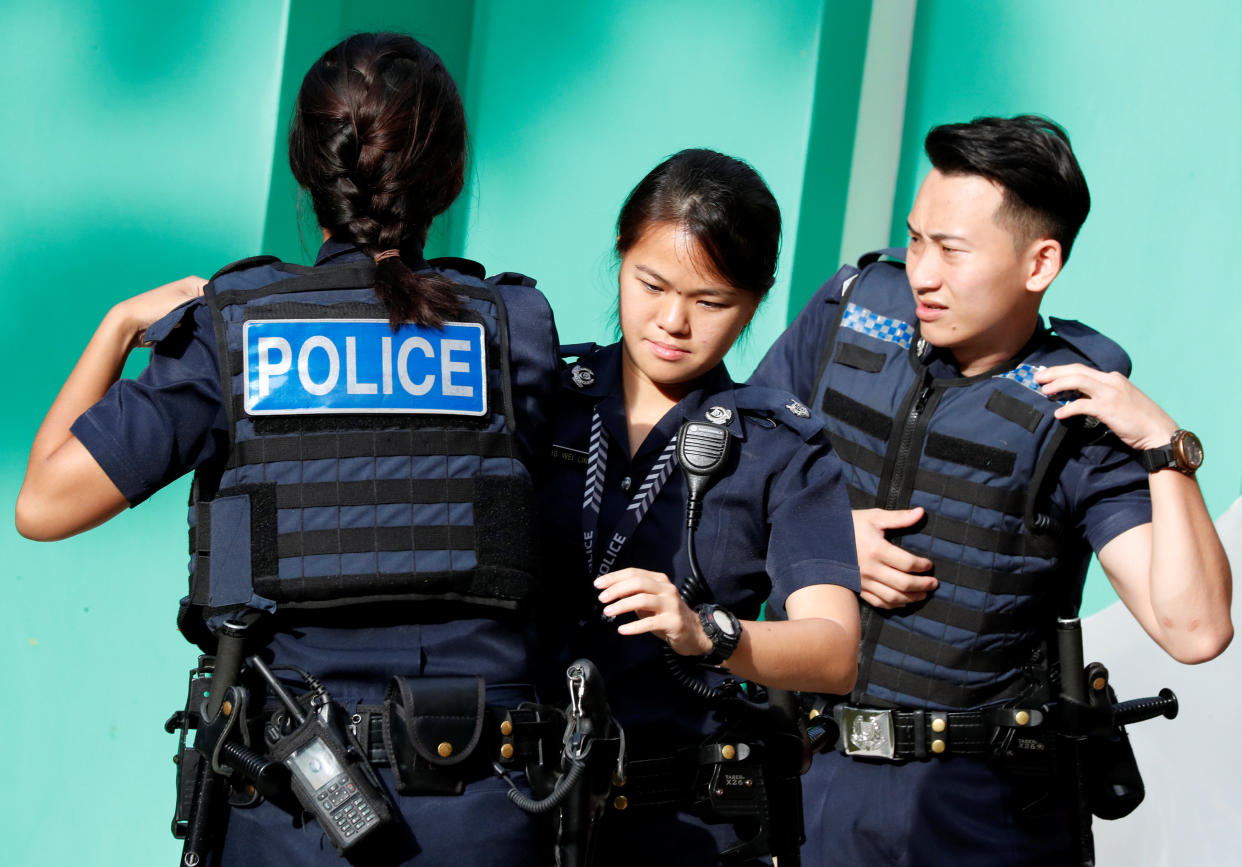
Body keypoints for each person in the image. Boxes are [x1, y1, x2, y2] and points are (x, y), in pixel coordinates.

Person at [17, 33, 559, 865]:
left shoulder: (232, 332)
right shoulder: (514, 329)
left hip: (294, 808)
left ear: (308, 169)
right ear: (448, 176)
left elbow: (43, 505)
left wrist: (118, 326)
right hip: (487, 804)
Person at [749, 114, 1233, 865]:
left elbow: (1194, 629)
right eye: (915, 239)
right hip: (812, 783)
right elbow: (719, 490)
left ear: (1039, 263)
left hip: (980, 815)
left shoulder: (1078, 405)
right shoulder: (849, 314)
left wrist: (1165, 448)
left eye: (951, 249)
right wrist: (823, 542)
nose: (923, 273)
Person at [537, 148, 862, 865]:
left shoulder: (782, 446)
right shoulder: (538, 396)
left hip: (685, 826)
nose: (673, 321)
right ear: (620, 255)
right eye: (650, 283)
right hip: (518, 809)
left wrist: (706, 631)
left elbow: (835, 651)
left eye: (711, 302)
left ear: (756, 299)